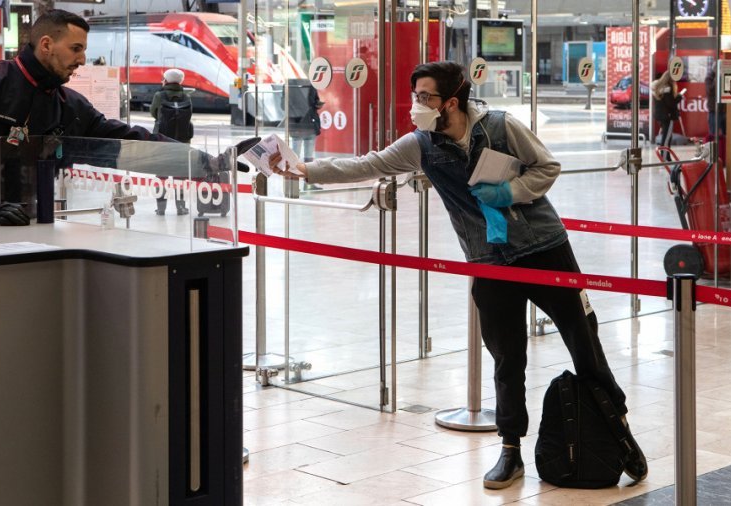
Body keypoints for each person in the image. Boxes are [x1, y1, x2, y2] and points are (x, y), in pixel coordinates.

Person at [267, 61, 647, 490]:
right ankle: (510, 451)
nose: (416, 106)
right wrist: (305, 169)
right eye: (414, 96)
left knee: (584, 340)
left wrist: (511, 191)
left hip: (545, 249)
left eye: (424, 97)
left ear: (451, 101)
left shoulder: (502, 128)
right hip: (489, 259)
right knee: (507, 358)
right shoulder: (421, 145)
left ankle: (619, 432)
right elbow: (367, 165)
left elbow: (547, 167)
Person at [0, 9, 249, 411]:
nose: (82, 58)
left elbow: (122, 140)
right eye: (75, 48)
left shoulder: (68, 105)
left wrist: (203, 163)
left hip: (10, 243)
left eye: (83, 50)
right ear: (46, 44)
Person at [150, 68, 193, 215]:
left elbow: (153, 113)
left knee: (161, 175)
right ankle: (181, 207)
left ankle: (161, 208)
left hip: (162, 140)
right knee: (179, 176)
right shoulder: (186, 96)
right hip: (182, 141)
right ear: (180, 81)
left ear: (166, 80)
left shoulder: (159, 95)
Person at [283, 78, 324, 191]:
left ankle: (292, 184)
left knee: (294, 157)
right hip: (308, 125)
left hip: (294, 125)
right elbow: (314, 103)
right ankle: (308, 184)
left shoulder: (287, 85)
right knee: (308, 158)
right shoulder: (309, 85)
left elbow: (283, 105)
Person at [651, 70, 684, 148]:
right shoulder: (667, 90)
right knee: (666, 137)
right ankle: (665, 156)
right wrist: (679, 97)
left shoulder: (657, 88)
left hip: (659, 115)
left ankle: (666, 156)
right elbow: (671, 104)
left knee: (666, 135)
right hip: (667, 116)